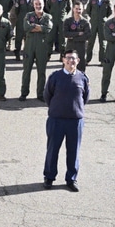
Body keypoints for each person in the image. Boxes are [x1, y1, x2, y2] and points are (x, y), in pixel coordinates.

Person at [42, 50, 89, 192]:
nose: (71, 61)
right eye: (68, 58)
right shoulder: (55, 76)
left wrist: (75, 110)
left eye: (73, 59)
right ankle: (49, 177)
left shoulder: (82, 78)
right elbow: (47, 95)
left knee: (73, 151)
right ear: (63, 60)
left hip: (75, 121)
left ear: (78, 61)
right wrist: (57, 108)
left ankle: (71, 179)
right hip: (56, 120)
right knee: (52, 150)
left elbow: (85, 97)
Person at [19, 0, 54, 101]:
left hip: (42, 47)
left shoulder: (48, 17)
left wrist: (34, 27)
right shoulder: (28, 15)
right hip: (29, 46)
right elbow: (26, 27)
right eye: (36, 4)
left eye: (40, 4)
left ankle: (40, 94)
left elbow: (47, 28)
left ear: (43, 4)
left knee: (41, 72)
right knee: (26, 71)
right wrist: (39, 28)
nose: (38, 6)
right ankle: (24, 93)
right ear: (33, 5)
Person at [85, 0, 112, 65]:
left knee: (102, 43)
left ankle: (102, 60)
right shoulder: (93, 0)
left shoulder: (107, 1)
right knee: (90, 42)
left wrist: (103, 18)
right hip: (93, 23)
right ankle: (87, 59)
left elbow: (109, 12)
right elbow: (88, 10)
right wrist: (93, 17)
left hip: (102, 24)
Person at [62, 3, 92, 72]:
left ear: (82, 10)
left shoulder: (86, 22)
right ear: (73, 9)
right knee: (67, 64)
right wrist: (78, 33)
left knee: (80, 65)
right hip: (70, 46)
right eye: (76, 9)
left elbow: (87, 35)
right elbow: (65, 33)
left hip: (80, 47)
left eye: (80, 9)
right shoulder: (68, 21)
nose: (78, 11)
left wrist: (72, 37)